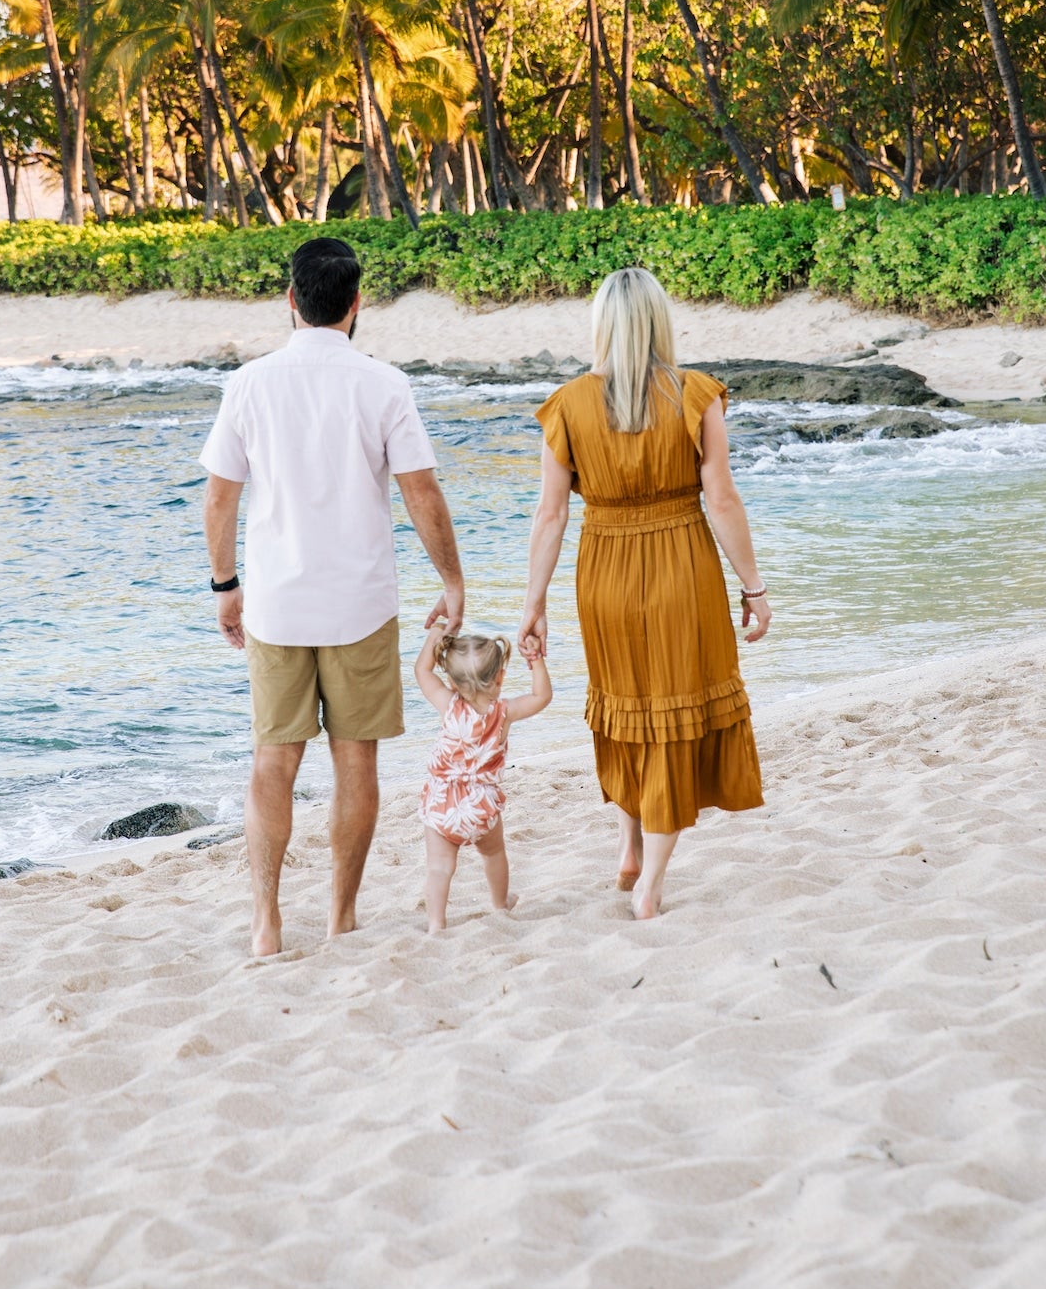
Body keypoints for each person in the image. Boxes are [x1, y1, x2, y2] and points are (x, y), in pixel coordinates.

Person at [202, 236, 464, 957]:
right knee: (356, 762)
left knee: (272, 762)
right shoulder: (383, 385)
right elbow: (421, 493)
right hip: (361, 606)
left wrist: (226, 587)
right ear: (355, 305)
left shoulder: (248, 384)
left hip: (277, 608)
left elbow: (219, 500)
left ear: (290, 300)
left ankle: (266, 922)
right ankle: (342, 915)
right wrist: (451, 579)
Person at [518, 266, 768, 921]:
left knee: (626, 705)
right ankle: (650, 882)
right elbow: (720, 498)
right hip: (681, 565)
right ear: (661, 322)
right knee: (674, 713)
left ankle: (629, 847)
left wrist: (533, 605)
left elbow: (549, 515)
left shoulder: (567, 403)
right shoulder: (695, 395)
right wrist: (753, 587)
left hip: (601, 572)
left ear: (600, 325)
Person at [414, 627, 551, 935]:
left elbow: (421, 671)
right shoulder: (503, 713)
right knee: (493, 853)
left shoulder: (448, 705)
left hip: (441, 804)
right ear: (500, 678)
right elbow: (542, 697)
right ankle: (501, 903)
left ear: (451, 682)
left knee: (440, 867)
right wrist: (536, 660)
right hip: (481, 805)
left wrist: (435, 635)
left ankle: (436, 922)